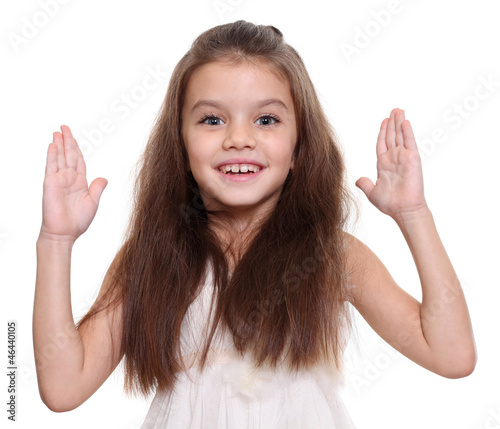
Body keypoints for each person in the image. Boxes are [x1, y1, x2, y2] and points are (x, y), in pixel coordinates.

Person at [33, 20, 477, 428]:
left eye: (266, 119)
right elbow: (63, 387)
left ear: (300, 145)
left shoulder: (328, 254)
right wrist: (56, 240)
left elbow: (452, 355)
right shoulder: (152, 256)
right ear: (180, 143)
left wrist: (413, 215)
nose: (238, 138)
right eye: (212, 119)